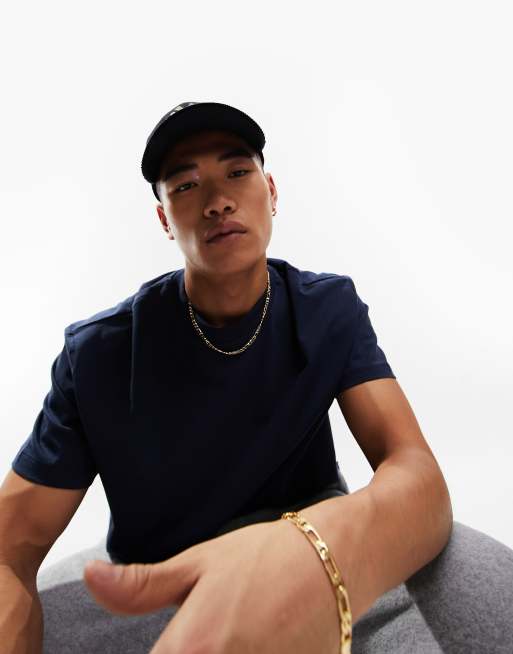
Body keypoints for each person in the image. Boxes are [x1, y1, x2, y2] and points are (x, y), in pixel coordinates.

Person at [1, 101, 512, 654]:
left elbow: (414, 468)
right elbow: (10, 547)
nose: (218, 201)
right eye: (186, 185)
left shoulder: (326, 308)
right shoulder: (98, 355)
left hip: (315, 551)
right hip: (161, 586)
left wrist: (315, 547)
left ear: (271, 191)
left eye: (237, 172)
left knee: (486, 597)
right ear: (164, 220)